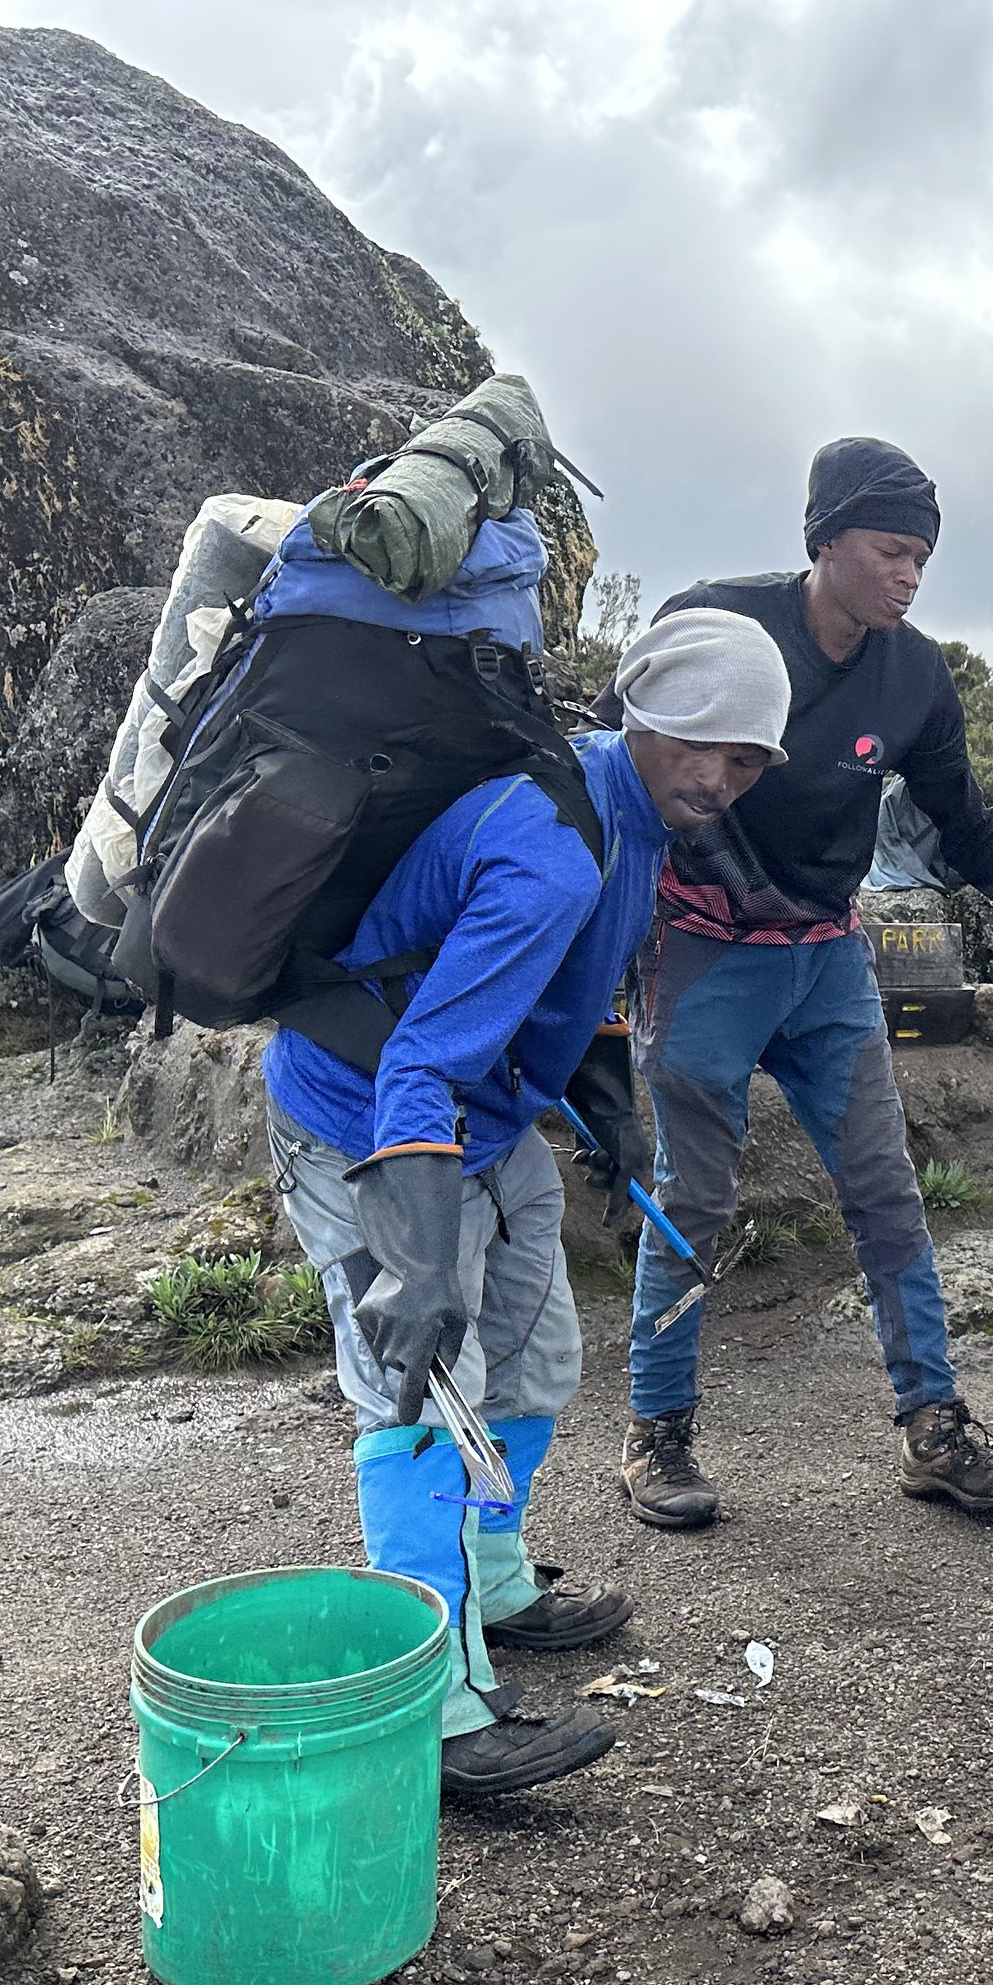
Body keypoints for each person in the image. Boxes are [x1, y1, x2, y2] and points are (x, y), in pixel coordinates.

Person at [265, 609, 795, 1799]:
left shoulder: (638, 813)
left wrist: (600, 1096)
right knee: (417, 1400)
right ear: (639, 715)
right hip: (367, 1119)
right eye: (701, 739)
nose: (722, 773)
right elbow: (414, 1066)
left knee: (540, 1359)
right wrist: (415, 1261)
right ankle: (436, 1706)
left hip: (490, 1114)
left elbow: (570, 979)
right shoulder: (551, 841)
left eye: (749, 754)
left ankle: (495, 1577)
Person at [611, 438, 993, 1531]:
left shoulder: (914, 674)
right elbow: (629, 765)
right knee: (690, 1196)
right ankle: (656, 1434)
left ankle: (934, 1427)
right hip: (701, 953)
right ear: (827, 539)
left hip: (828, 958)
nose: (909, 576)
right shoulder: (719, 621)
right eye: (892, 550)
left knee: (886, 1192)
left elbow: (968, 824)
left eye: (923, 559)